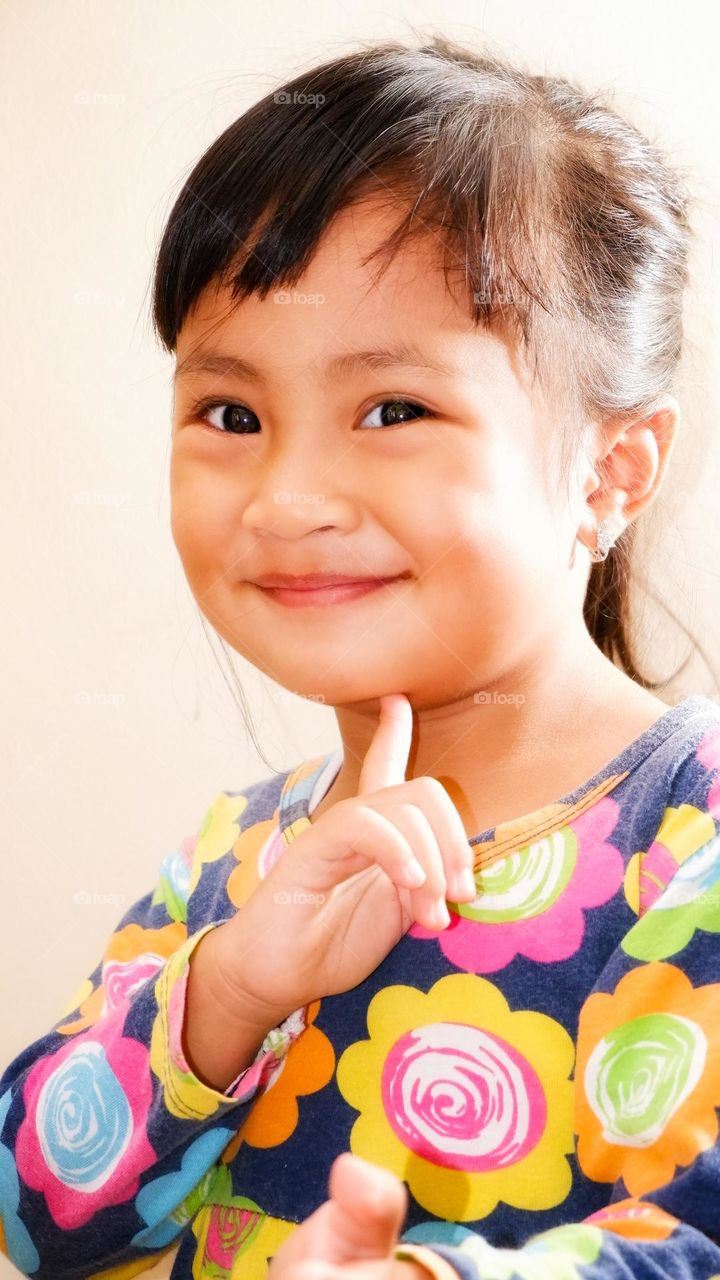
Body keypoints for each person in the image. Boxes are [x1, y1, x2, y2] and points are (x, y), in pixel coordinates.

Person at [2, 31, 720, 1280]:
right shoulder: (235, 856)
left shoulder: (691, 836)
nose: (289, 497)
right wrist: (224, 991)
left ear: (610, 470)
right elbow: (32, 1214)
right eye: (232, 413)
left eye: (394, 410)